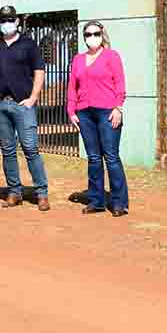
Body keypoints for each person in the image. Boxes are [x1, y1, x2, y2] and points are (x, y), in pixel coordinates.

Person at [0, 4, 49, 211]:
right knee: (8, 150)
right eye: (4, 20)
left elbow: (39, 71)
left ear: (17, 22)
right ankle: (14, 192)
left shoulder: (29, 44)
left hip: (23, 105)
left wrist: (33, 97)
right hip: (1, 105)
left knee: (30, 149)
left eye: (11, 20)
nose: (7, 23)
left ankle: (42, 193)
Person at [67, 20, 129, 217]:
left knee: (111, 156)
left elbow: (120, 83)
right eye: (88, 34)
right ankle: (96, 201)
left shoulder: (112, 56)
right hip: (84, 112)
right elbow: (72, 87)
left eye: (95, 33)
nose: (92, 37)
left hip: (107, 111)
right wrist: (71, 111)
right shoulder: (78, 59)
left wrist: (118, 107)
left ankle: (119, 202)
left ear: (102, 35)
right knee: (93, 158)